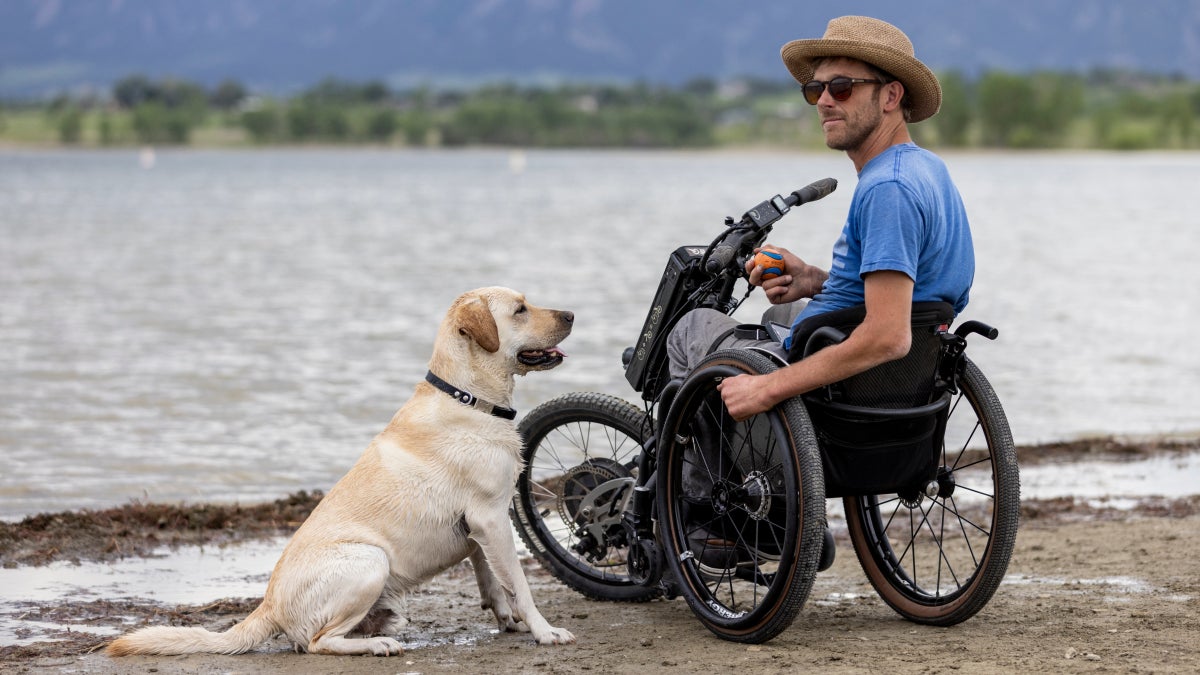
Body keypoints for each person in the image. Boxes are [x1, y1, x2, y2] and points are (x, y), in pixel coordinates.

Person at [665, 15, 975, 573]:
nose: (823, 102)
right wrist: (812, 280)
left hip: (850, 401)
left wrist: (768, 388)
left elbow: (886, 334)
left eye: (841, 87)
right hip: (902, 398)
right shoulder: (926, 171)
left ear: (891, 95)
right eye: (815, 89)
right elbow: (910, 292)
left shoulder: (887, 191)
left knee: (691, 331)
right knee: (785, 303)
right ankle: (779, 511)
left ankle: (727, 523)